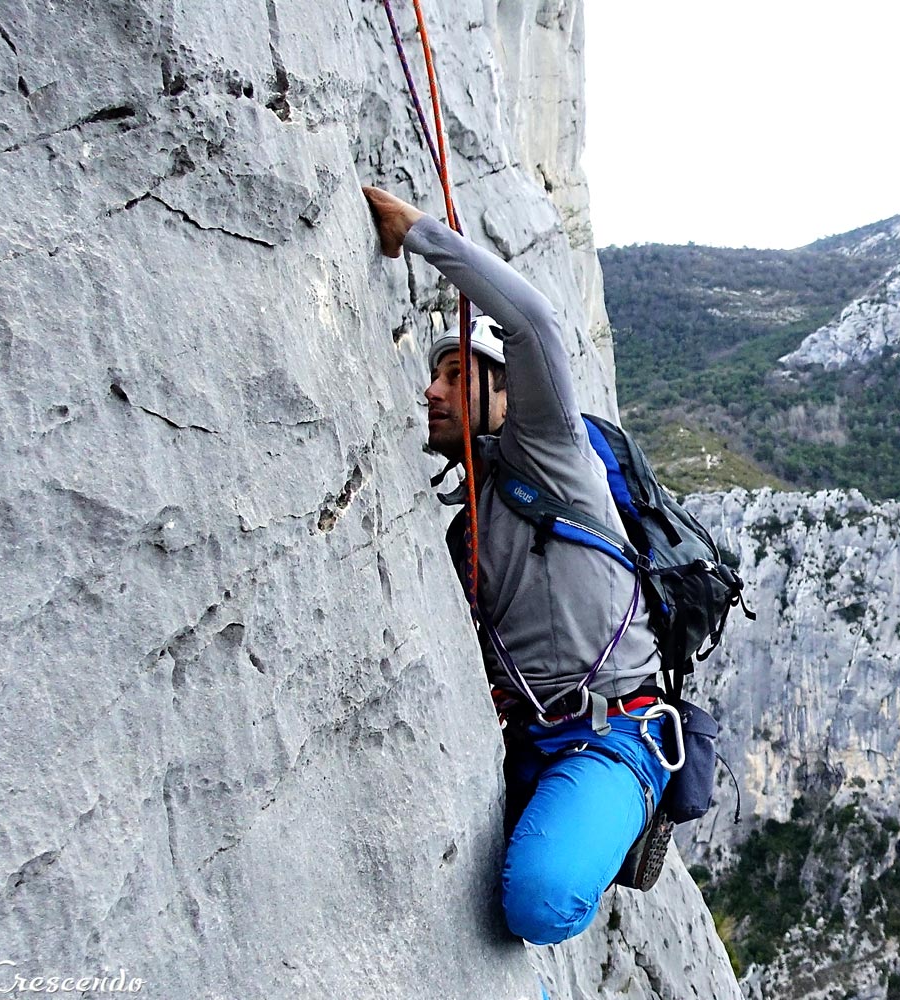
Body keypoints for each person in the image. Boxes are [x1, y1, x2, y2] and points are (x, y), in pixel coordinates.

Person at [363, 185, 672, 946]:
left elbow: (535, 325)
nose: (432, 391)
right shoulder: (470, 520)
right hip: (525, 740)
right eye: (434, 377)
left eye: (456, 376)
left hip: (612, 736)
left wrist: (421, 235)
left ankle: (603, 833)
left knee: (537, 900)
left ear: (505, 396)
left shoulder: (556, 457)